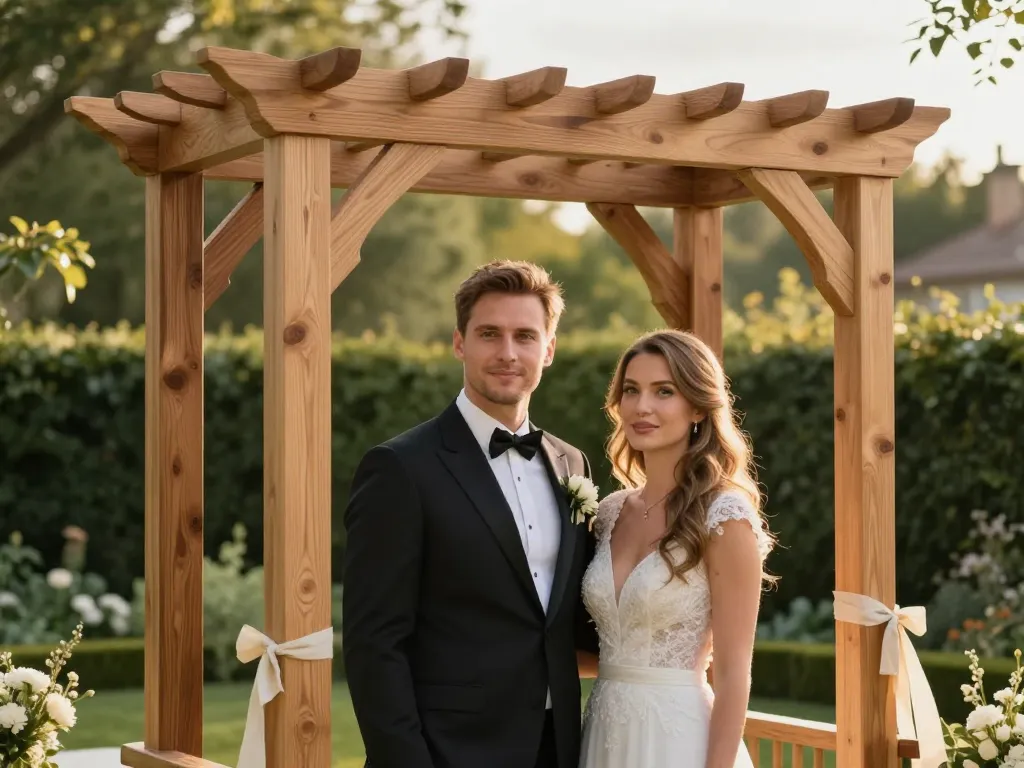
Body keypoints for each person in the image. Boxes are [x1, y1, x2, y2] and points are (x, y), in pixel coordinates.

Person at [342, 260, 600, 768]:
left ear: (548, 350)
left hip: (559, 747)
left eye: (525, 336)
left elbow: (566, 621)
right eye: (489, 334)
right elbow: (374, 645)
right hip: (449, 752)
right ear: (460, 343)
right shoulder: (399, 468)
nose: (508, 353)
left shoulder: (572, 463)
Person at [577, 329, 776, 768]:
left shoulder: (725, 517)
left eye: (664, 391)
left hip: (678, 740)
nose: (642, 406)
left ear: (698, 407)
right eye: (631, 390)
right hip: (604, 733)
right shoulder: (609, 512)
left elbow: (733, 672)